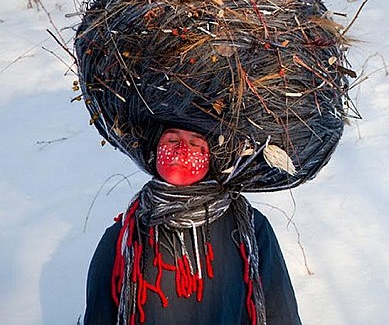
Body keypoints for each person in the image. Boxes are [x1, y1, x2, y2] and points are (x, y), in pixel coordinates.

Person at [84, 127, 302, 325]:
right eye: (171, 140)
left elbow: (280, 311)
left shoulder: (249, 228)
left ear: (212, 158)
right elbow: (99, 315)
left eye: (195, 144)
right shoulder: (125, 235)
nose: (180, 151)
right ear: (155, 149)